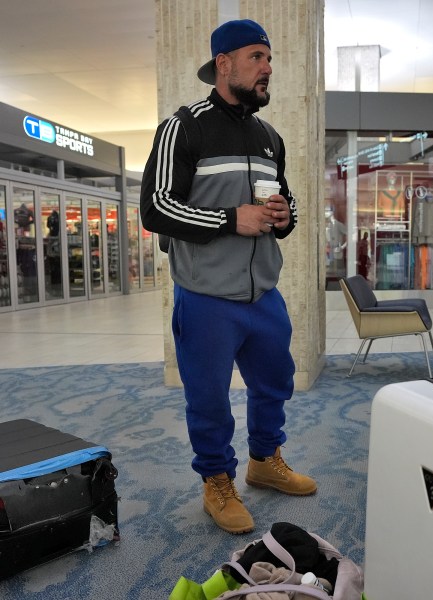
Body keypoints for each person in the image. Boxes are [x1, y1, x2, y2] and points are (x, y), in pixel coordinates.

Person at [140, 19, 316, 535]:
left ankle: (265, 461)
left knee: (275, 383)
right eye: (257, 57)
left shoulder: (269, 137)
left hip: (264, 293)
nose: (267, 69)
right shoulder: (185, 126)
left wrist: (287, 214)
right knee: (209, 395)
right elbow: (155, 207)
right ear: (224, 64)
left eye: (270, 60)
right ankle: (217, 479)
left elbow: (283, 205)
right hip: (206, 297)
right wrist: (227, 218)